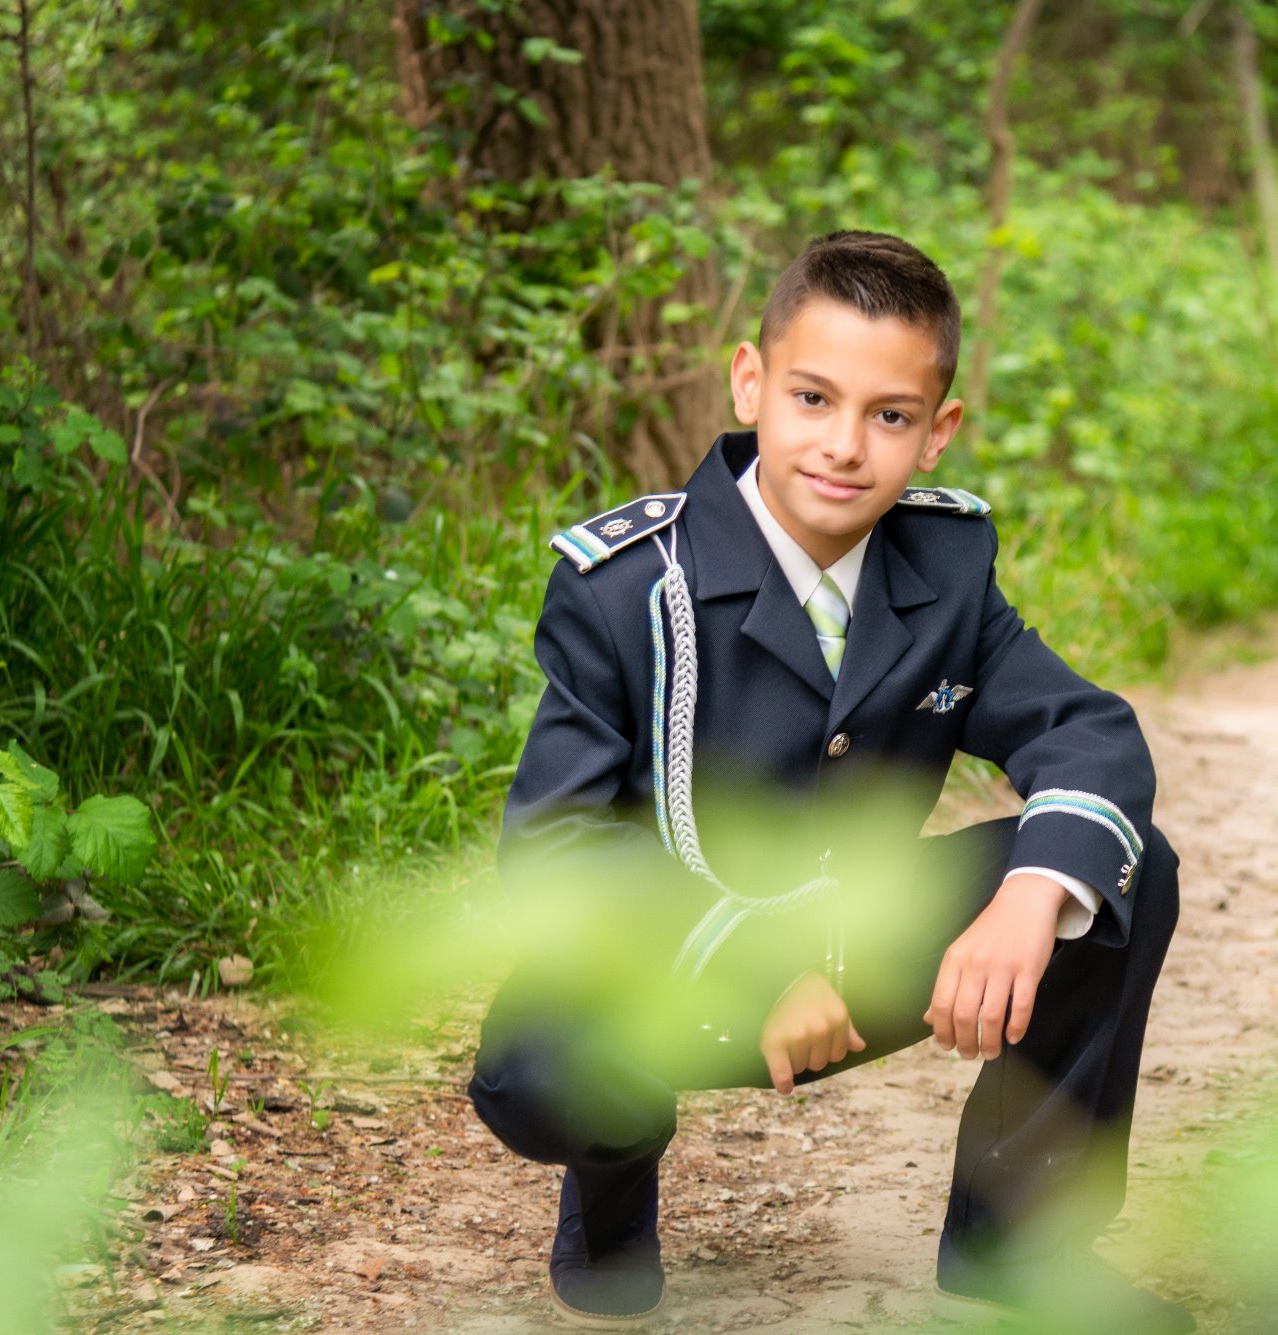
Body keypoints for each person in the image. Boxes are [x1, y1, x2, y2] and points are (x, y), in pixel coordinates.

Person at [470, 231, 1189, 1331]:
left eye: (889, 415)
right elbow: (553, 853)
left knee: (1117, 870)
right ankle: (614, 1182)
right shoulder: (626, 589)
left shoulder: (943, 568)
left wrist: (1030, 897)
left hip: (859, 958)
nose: (843, 446)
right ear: (751, 382)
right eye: (812, 397)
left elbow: (1083, 730)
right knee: (534, 1068)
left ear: (936, 433)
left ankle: (1017, 1243)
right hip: (666, 972)